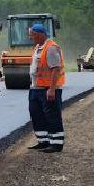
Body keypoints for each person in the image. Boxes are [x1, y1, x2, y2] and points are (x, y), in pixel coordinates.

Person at [27, 23, 65, 152]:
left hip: (48, 89)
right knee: (36, 114)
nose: (30, 37)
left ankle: (56, 144)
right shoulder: (38, 47)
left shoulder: (51, 48)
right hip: (35, 88)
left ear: (39, 34)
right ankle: (43, 141)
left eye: (32, 35)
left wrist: (52, 89)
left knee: (52, 115)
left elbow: (56, 69)